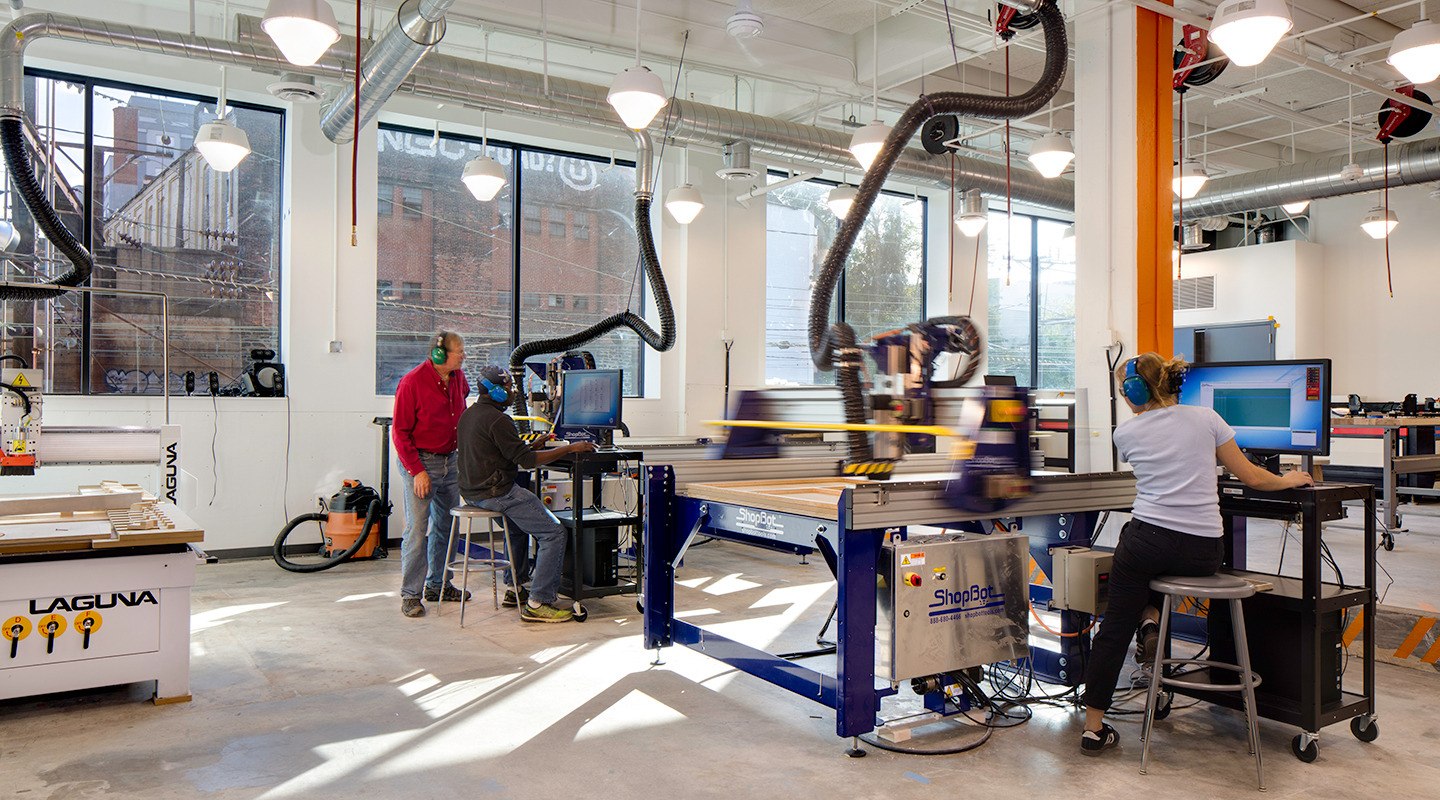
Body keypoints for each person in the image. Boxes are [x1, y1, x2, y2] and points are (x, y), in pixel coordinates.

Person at [1079, 352, 1313, 755]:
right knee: (1157, 568)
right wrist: (1289, 479)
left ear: (1132, 391)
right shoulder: (1208, 419)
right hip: (1203, 550)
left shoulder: (1125, 435)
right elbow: (1252, 476)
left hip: (1146, 539)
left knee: (1117, 620)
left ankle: (1093, 728)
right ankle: (1151, 621)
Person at [457, 365, 596, 623]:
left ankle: (515, 588)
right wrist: (570, 449)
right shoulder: (499, 419)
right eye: (509, 389)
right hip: (497, 493)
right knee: (554, 533)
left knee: (517, 528)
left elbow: (504, 453)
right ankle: (539, 601)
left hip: (473, 492)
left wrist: (532, 444)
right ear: (496, 393)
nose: (512, 393)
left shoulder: (470, 414)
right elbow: (528, 462)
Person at [392, 332, 472, 618]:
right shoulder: (412, 383)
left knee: (448, 526)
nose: (464, 356)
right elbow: (399, 433)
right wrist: (417, 472)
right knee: (417, 529)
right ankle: (410, 595)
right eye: (460, 351)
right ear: (440, 355)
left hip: (451, 460)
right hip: (421, 463)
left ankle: (439, 585)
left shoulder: (459, 379)